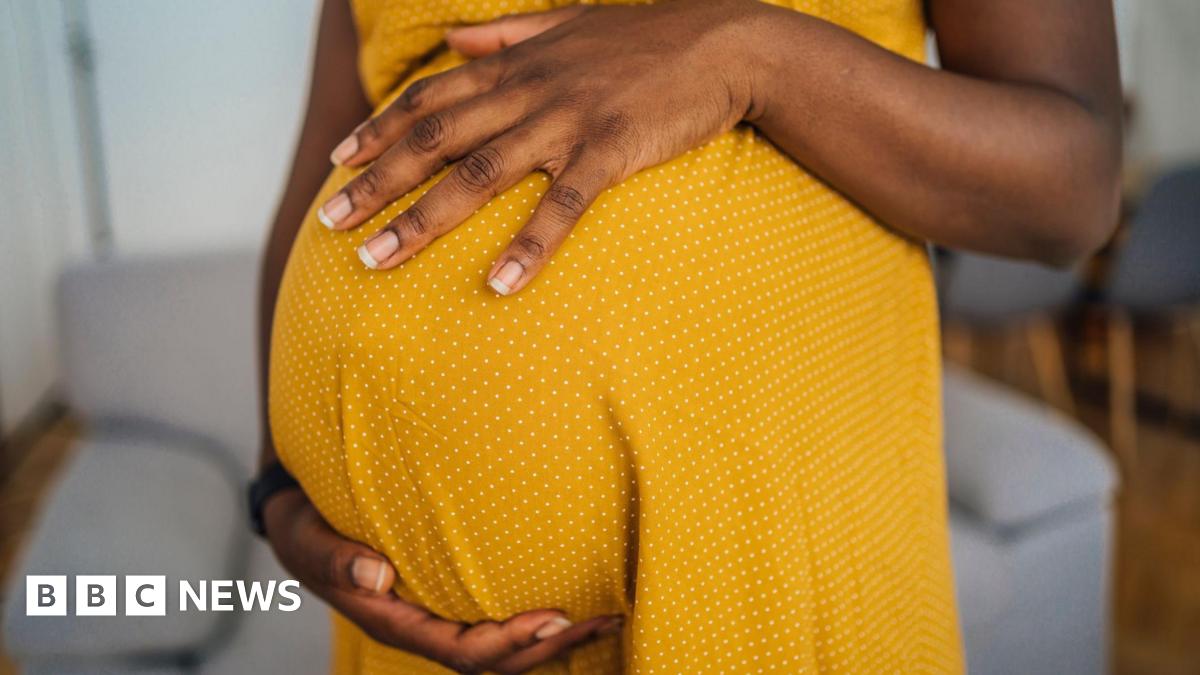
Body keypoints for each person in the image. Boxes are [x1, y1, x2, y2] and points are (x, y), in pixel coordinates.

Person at [250, 0, 1121, 672]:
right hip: (410, 635)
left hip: (764, 551)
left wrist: (747, 55)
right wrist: (278, 481)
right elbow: (327, 159)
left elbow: (1073, 187)